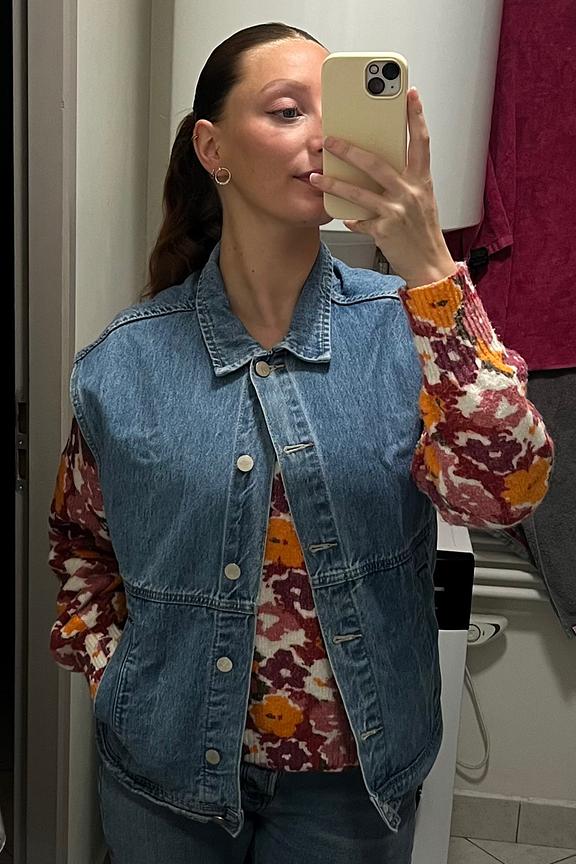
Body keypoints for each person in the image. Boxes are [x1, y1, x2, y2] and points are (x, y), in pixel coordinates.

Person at [47, 22, 554, 864]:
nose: (322, 137)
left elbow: (509, 492)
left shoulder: (404, 330)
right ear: (212, 149)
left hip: (348, 790)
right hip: (162, 777)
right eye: (287, 111)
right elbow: (80, 545)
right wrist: (119, 675)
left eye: (336, 111)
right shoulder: (125, 362)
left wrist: (429, 261)